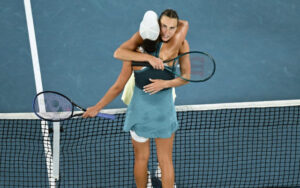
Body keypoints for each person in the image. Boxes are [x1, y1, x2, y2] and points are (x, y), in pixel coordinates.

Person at [83, 9, 190, 188]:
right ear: (157, 26)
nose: (167, 31)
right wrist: (164, 84)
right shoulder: (179, 45)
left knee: (141, 159)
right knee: (165, 161)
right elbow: (186, 76)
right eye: (163, 26)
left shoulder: (132, 54)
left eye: (171, 28)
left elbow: (118, 86)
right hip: (163, 115)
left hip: (139, 115)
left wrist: (97, 107)